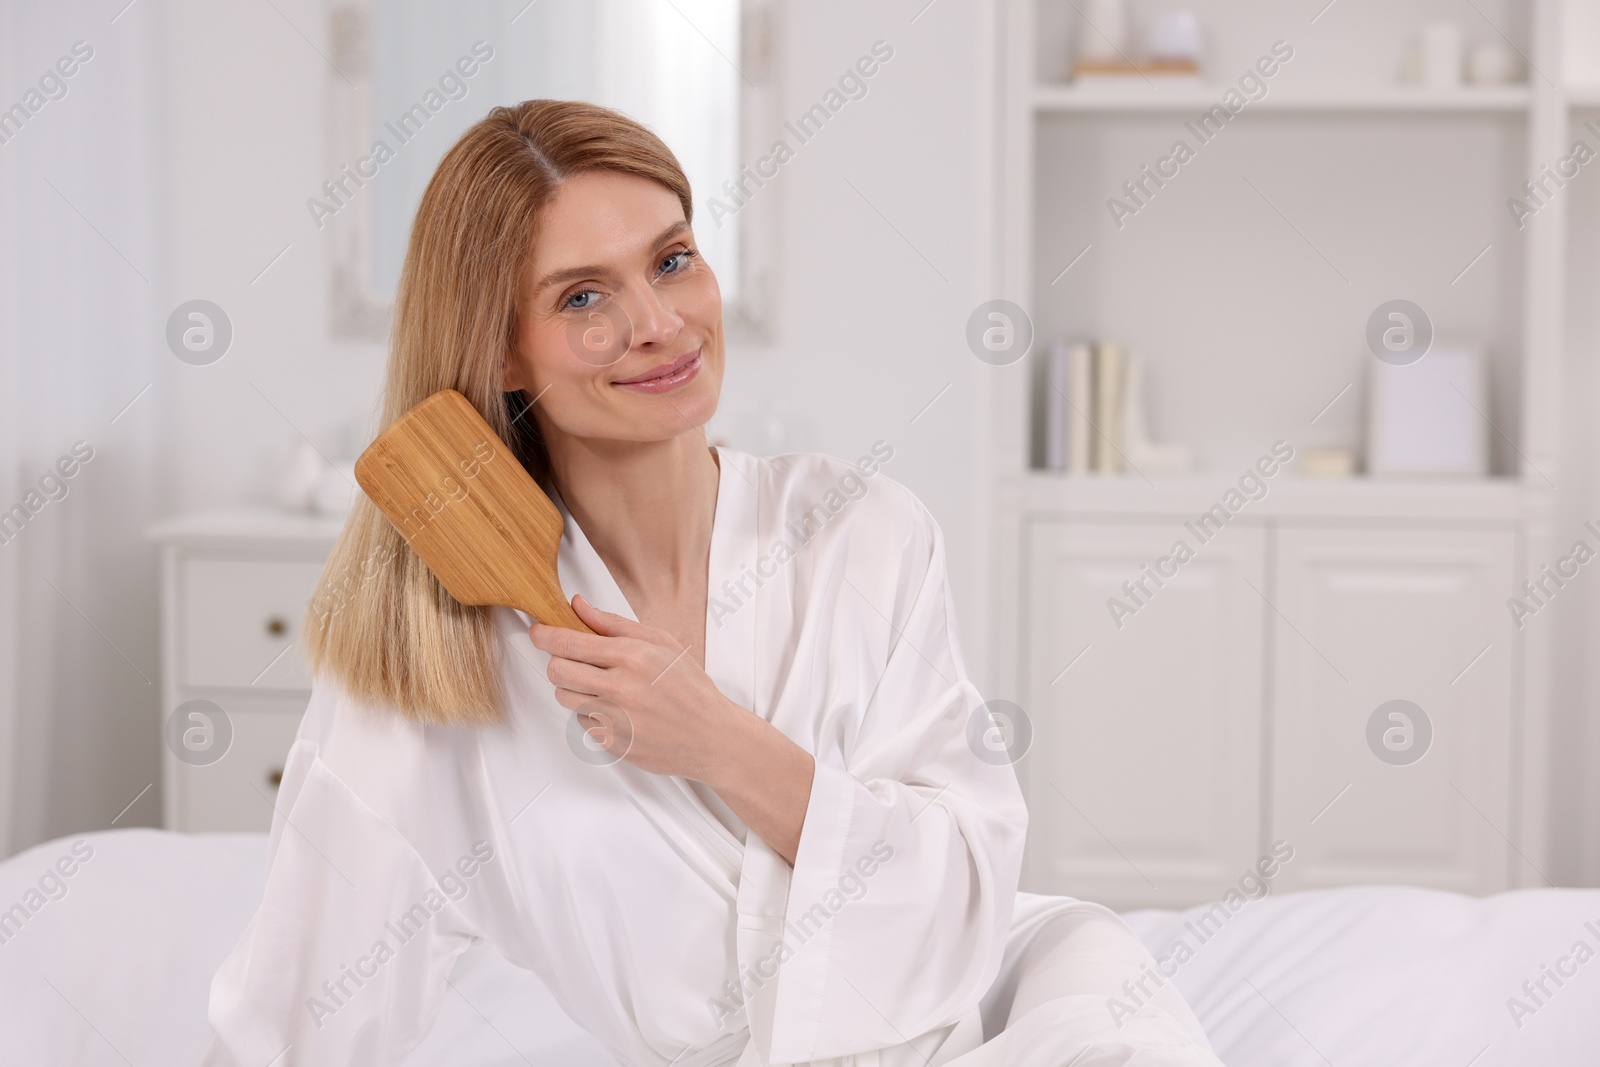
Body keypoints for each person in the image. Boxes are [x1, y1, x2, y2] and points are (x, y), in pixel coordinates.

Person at [202, 99, 1224, 1067]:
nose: (658, 322)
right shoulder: (434, 661)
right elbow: (301, 1012)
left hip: (1017, 1013)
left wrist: (715, 737)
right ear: (502, 354)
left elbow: (965, 880)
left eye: (673, 260)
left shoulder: (861, 534)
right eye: (583, 296)